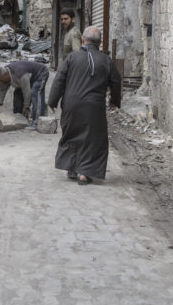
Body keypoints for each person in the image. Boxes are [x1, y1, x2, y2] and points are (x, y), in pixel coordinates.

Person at [47, 25, 121, 185]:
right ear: (100, 43)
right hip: (94, 107)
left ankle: (72, 168)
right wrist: (114, 100)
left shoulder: (72, 58)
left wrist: (52, 101)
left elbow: (59, 79)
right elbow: (116, 81)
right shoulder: (106, 60)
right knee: (92, 138)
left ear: (83, 40)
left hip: (71, 105)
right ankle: (85, 173)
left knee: (71, 134)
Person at [0, 60, 49, 126]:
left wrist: (26, 106)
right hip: (28, 78)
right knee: (17, 94)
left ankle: (38, 121)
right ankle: (20, 119)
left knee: (35, 93)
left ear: (6, 75)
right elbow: (2, 89)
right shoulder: (4, 75)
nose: (1, 82)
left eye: (1, 80)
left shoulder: (20, 74)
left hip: (40, 73)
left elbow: (27, 91)